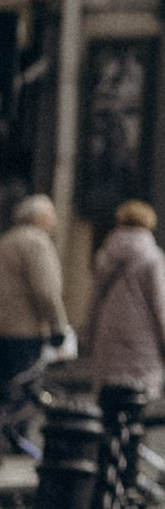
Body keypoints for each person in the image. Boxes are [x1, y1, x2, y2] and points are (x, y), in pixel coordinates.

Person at [86, 196, 165, 403]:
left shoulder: (104, 255)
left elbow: (95, 299)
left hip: (108, 334)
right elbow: (161, 304)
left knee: (109, 397)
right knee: (138, 400)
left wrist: (89, 334)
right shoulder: (153, 257)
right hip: (144, 339)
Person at [0, 192, 72, 456]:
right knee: (25, 390)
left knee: (6, 387)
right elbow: (46, 290)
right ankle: (14, 442)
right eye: (50, 214)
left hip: (3, 329)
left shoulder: (7, 240)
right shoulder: (37, 243)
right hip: (25, 330)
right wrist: (58, 327)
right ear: (38, 217)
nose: (53, 219)